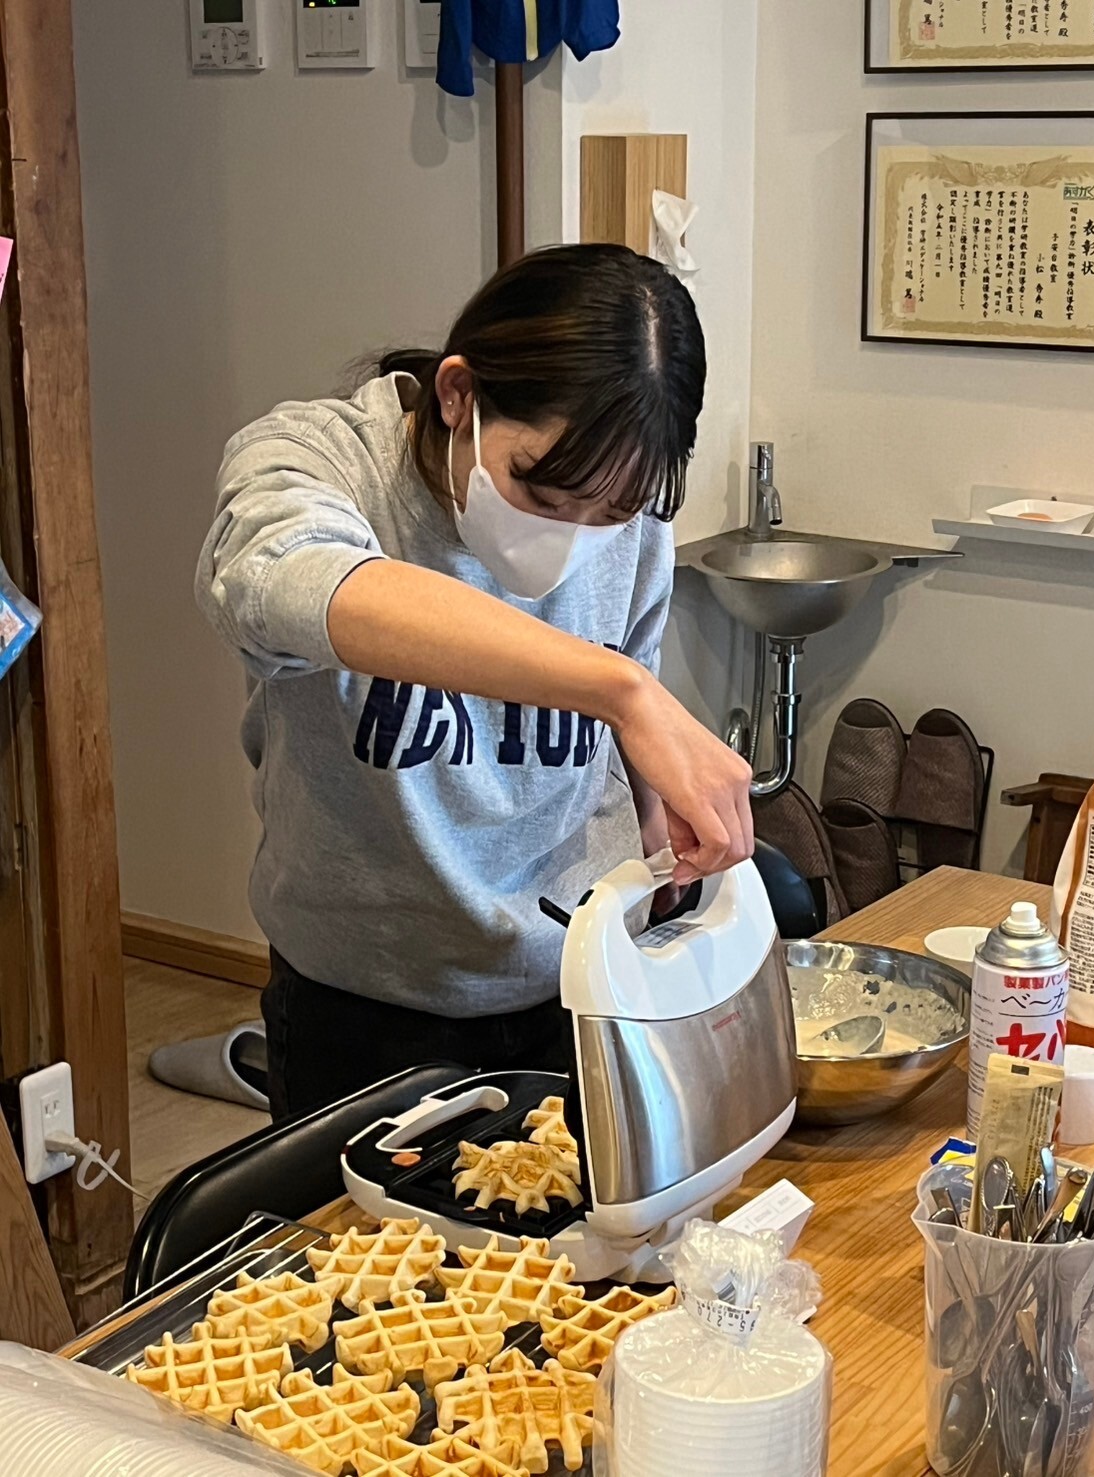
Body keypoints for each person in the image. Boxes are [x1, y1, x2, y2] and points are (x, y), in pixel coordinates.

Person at [196, 244, 754, 1120]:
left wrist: (662, 835)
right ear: (460, 395)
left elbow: (628, 723)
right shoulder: (320, 461)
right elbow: (279, 581)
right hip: (362, 1006)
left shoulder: (634, 521)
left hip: (571, 985)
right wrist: (622, 692)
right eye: (544, 491)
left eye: (609, 514)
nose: (573, 537)